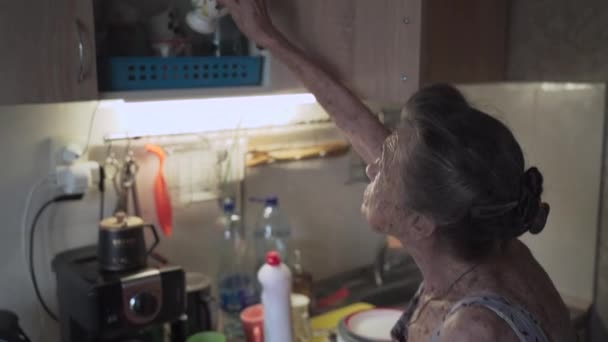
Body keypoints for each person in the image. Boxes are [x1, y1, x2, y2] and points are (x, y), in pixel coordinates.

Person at [218, 0, 575, 341]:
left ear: (421, 222)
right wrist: (267, 37)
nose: (372, 169)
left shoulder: (473, 329)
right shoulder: (485, 240)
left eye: (385, 168)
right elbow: (355, 122)